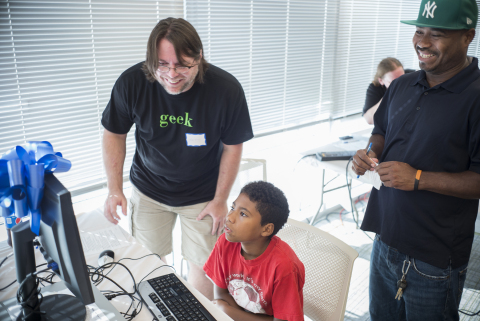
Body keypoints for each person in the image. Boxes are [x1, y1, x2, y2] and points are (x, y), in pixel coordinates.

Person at [101, 17, 254, 300]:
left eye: (183, 64)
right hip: (149, 190)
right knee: (148, 265)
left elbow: (233, 147)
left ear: (199, 58)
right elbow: (114, 133)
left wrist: (221, 200)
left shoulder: (225, 90)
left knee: (204, 270)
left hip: (203, 195)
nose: (172, 74)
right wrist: (115, 189)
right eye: (162, 64)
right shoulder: (132, 83)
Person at [352, 0, 480, 319]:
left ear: (468, 37)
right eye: (419, 31)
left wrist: (419, 178)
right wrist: (371, 152)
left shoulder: (476, 97)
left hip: (433, 255)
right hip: (385, 238)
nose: (422, 42)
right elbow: (380, 129)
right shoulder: (402, 85)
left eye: (436, 34)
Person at [203, 181, 305, 321]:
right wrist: (232, 314)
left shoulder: (284, 267)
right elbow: (220, 294)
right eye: (233, 208)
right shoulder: (225, 243)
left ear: (266, 229)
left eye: (243, 214)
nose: (230, 217)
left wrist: (228, 311)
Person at [363, 58, 414, 125]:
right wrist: (387, 96)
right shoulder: (375, 88)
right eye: (394, 82)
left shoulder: (411, 75)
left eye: (402, 79)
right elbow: (369, 120)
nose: (400, 84)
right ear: (381, 81)